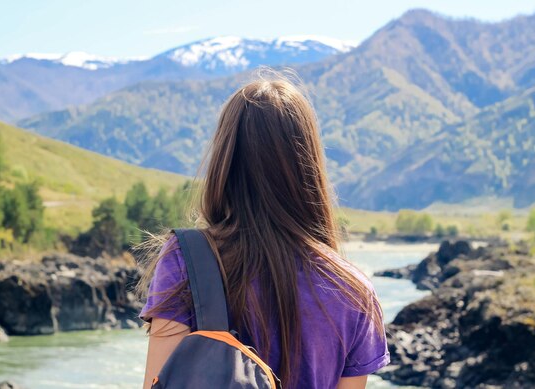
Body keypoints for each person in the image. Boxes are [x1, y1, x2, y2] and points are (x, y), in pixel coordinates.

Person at [136, 70, 390, 389]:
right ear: (308, 161)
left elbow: (157, 384)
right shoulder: (354, 290)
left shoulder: (187, 259)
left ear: (225, 160)